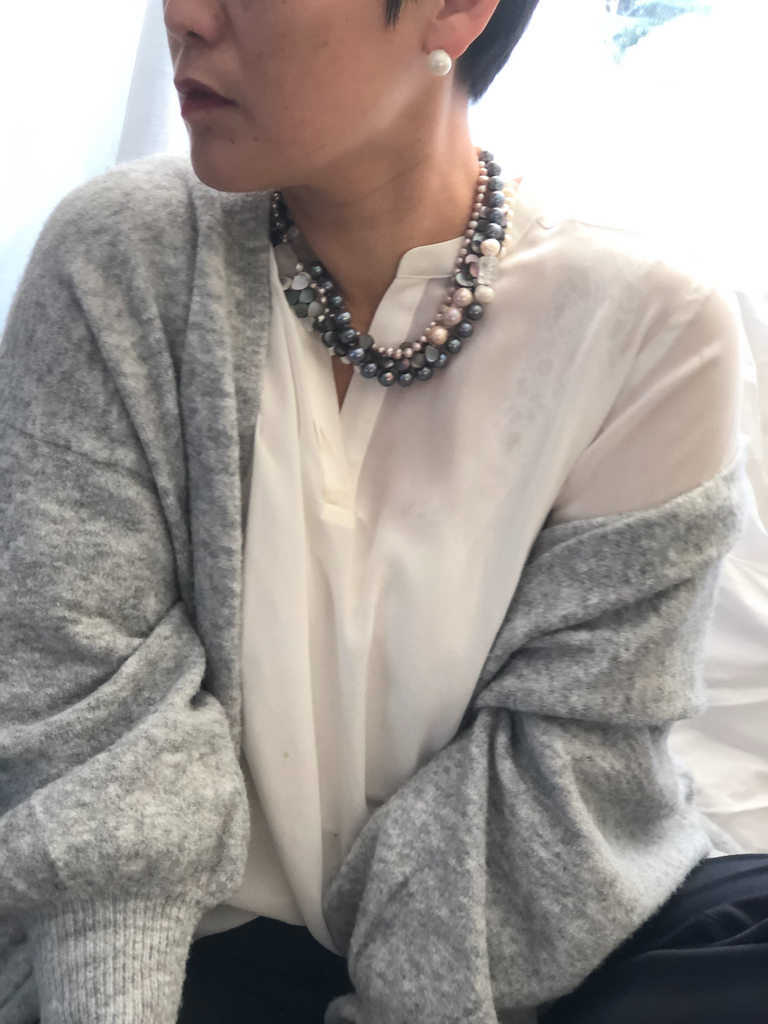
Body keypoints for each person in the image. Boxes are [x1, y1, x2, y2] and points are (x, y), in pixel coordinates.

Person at [0, 0, 766, 1022]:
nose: (183, 16)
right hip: (187, 939)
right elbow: (91, 718)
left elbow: (576, 765)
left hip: (525, 944)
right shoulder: (122, 254)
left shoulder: (653, 326)